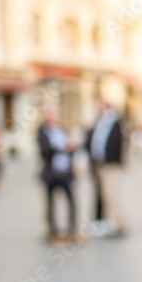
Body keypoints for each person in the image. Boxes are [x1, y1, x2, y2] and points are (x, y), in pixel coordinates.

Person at [37, 107, 79, 245]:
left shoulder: (62, 130)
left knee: (71, 201)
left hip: (65, 171)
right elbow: (44, 151)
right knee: (50, 203)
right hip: (51, 173)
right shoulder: (43, 131)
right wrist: (62, 148)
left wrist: (71, 149)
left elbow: (71, 150)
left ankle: (72, 230)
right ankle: (53, 231)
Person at [85, 100, 126, 237]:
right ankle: (106, 221)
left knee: (110, 194)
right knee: (103, 195)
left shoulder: (113, 122)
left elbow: (117, 143)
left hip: (110, 165)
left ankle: (116, 223)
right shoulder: (99, 122)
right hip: (99, 164)